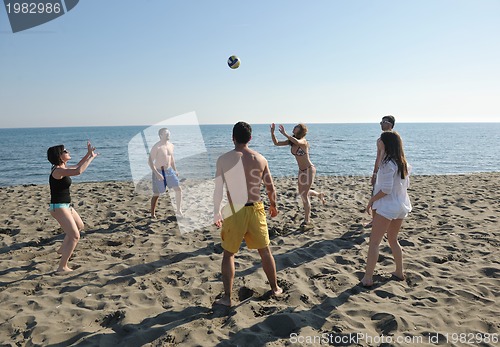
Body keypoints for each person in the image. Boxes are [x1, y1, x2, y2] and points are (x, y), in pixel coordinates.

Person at [213, 121, 283, 307]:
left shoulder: (224, 159)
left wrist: (216, 212)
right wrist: (273, 206)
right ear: (250, 138)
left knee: (228, 254)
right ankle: (275, 288)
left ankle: (227, 298)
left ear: (233, 138)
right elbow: (270, 188)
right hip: (255, 208)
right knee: (265, 251)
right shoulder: (260, 159)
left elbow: (218, 190)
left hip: (234, 209)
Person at [361, 131, 412, 287]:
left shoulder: (387, 164)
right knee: (393, 240)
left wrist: (371, 200)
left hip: (387, 206)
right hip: (400, 205)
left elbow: (386, 189)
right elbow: (405, 186)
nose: (377, 141)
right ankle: (399, 272)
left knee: (374, 242)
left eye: (380, 140)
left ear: (385, 143)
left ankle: (368, 278)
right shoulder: (403, 162)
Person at [47, 141, 97, 273]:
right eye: (65, 151)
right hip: (58, 207)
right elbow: (79, 171)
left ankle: (62, 249)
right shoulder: (57, 171)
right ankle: (62, 267)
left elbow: (78, 166)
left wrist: (88, 154)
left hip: (65, 206)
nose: (67, 152)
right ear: (59, 156)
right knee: (75, 236)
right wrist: (91, 158)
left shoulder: (61, 169)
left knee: (80, 226)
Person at [270, 123, 325, 226]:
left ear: (300, 131)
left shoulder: (303, 141)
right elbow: (276, 143)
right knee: (303, 193)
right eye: (295, 127)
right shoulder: (291, 142)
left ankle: (307, 220)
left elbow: (297, 141)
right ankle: (319, 195)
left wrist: (285, 133)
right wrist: (272, 133)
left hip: (309, 169)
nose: (294, 128)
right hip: (301, 170)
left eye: (297, 127)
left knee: (304, 195)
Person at [366, 115, 396, 228]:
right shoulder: (380, 139)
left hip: (392, 169)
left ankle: (387, 220)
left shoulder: (395, 139)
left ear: (390, 124)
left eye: (384, 122)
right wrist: (374, 173)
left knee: (389, 194)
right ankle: (374, 220)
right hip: (382, 169)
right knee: (375, 192)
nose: (381, 124)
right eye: (381, 122)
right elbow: (378, 157)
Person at [149, 128, 182, 218]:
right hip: (159, 171)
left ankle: (178, 210)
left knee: (178, 190)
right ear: (161, 135)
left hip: (169, 170)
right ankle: (152, 214)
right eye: (166, 133)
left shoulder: (171, 145)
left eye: (169, 133)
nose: (168, 135)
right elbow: (150, 161)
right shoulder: (157, 146)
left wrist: (175, 170)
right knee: (156, 194)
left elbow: (172, 159)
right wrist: (156, 173)